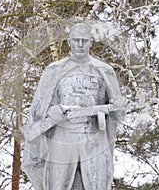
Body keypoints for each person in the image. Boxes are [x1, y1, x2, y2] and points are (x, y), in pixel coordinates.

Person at [22, 23, 127, 190]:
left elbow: (117, 115)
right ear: (69, 42)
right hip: (62, 136)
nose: (80, 44)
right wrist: (52, 111)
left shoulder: (104, 70)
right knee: (57, 185)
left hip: (94, 136)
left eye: (84, 41)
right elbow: (38, 111)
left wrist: (119, 106)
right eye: (76, 40)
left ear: (91, 42)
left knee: (97, 184)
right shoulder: (54, 70)